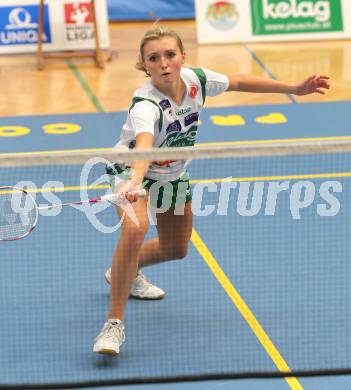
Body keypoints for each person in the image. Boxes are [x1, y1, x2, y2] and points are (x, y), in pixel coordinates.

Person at [93, 25, 330, 355]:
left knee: (176, 248)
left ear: (182, 57)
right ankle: (113, 325)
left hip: (172, 174)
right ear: (144, 65)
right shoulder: (145, 105)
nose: (163, 63)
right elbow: (144, 145)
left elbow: (239, 81)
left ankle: (124, 269)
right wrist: (135, 182)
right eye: (154, 58)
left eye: (170, 55)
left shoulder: (196, 81)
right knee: (135, 231)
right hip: (132, 169)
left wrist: (293, 88)